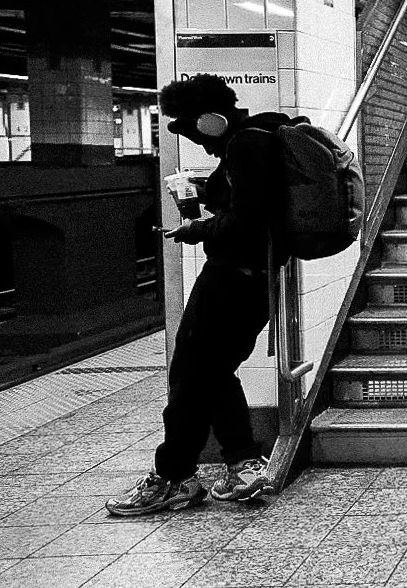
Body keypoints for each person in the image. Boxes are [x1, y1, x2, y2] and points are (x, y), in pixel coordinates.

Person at [106, 74, 284, 516]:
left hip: (232, 281)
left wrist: (195, 229)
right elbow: (252, 205)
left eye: (194, 131)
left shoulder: (245, 145)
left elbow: (246, 221)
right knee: (213, 372)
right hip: (248, 280)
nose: (200, 144)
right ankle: (242, 460)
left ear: (210, 120)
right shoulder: (260, 137)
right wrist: (208, 192)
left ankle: (173, 478)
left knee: (189, 376)